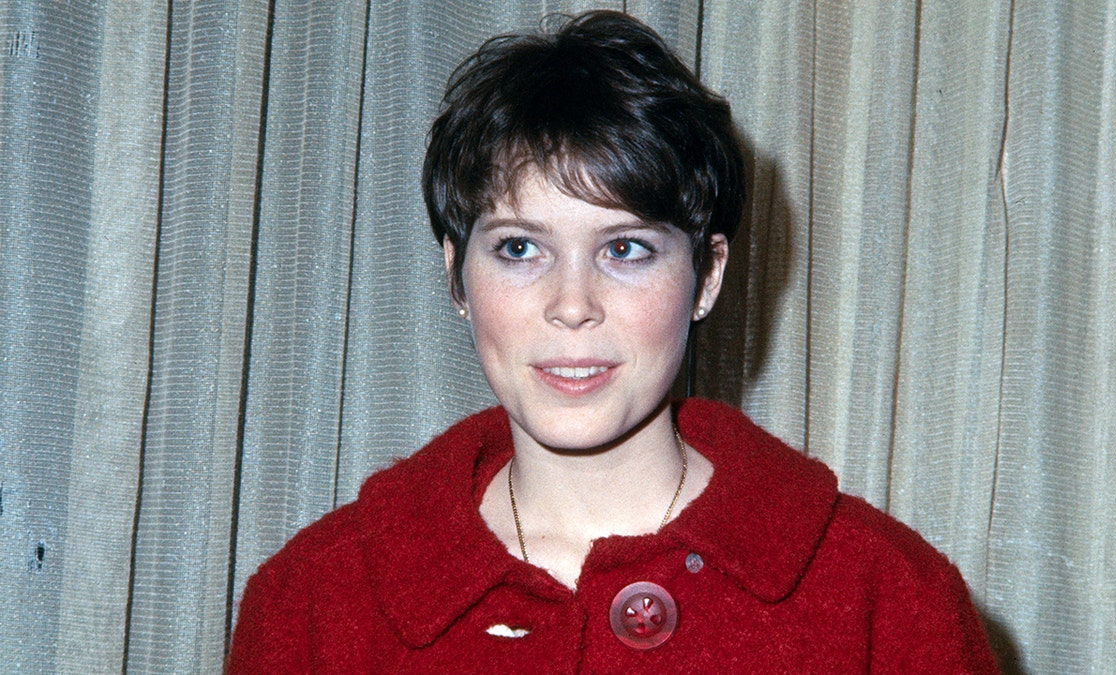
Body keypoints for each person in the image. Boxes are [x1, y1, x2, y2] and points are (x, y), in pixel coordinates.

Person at [228, 10, 999, 673]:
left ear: (706, 277)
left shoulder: (889, 599)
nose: (571, 305)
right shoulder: (312, 606)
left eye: (625, 249)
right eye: (519, 249)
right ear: (456, 276)